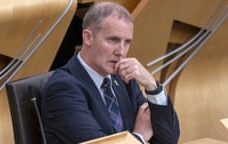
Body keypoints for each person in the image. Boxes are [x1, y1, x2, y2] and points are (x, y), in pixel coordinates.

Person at [41, 2, 180, 144]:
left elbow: (168, 139)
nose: (121, 52)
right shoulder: (62, 88)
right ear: (88, 37)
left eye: (126, 42)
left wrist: (152, 86)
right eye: (113, 40)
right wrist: (139, 137)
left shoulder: (123, 78)